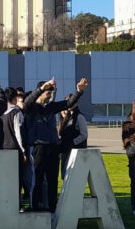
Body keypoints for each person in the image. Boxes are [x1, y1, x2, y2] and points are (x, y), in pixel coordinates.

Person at [23, 77, 88, 213]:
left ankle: (52, 208)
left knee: (53, 180)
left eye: (51, 93)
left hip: (53, 148)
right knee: (38, 179)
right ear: (41, 93)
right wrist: (41, 88)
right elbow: (27, 101)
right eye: (48, 93)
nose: (50, 96)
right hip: (38, 148)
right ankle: (36, 206)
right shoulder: (31, 108)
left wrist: (79, 91)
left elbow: (68, 103)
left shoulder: (51, 107)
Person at [0, 88, 29, 207]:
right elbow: (19, 133)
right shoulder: (16, 113)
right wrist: (24, 151)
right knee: (18, 179)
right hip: (15, 149)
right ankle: (16, 204)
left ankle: (7, 203)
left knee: (7, 179)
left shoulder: (2, 114)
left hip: (4, 149)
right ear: (15, 98)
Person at [58, 105, 88, 177]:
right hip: (65, 150)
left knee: (70, 174)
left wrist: (73, 142)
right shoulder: (67, 118)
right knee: (64, 175)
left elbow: (84, 134)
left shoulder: (79, 117)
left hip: (74, 149)